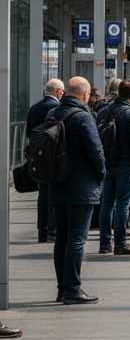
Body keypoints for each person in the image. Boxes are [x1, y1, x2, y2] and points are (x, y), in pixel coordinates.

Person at [50, 76, 105, 304]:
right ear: (84, 94)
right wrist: (102, 175)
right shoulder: (83, 117)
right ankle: (73, 288)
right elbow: (95, 151)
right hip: (82, 187)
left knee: (61, 237)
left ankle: (62, 288)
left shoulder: (53, 114)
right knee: (77, 239)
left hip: (57, 184)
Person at [96, 80, 130, 256]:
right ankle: (120, 243)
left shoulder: (102, 111)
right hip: (126, 164)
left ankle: (104, 244)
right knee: (123, 204)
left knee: (106, 204)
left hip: (107, 163)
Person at [26, 78, 65, 242]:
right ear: (57, 91)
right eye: (62, 92)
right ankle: (52, 229)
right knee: (53, 193)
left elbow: (29, 132)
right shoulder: (57, 108)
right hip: (53, 157)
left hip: (37, 156)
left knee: (42, 193)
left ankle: (42, 229)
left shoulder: (34, 108)